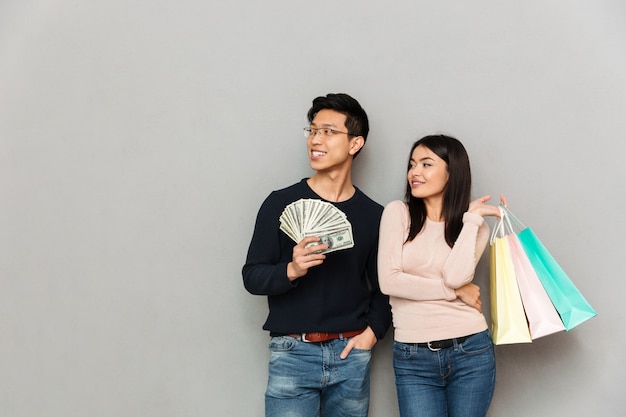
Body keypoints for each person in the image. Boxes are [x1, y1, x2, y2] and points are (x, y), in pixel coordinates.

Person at [242, 93, 391, 417]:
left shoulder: (373, 215)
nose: (315, 140)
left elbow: (385, 288)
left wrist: (371, 335)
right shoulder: (279, 203)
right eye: (312, 130)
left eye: (328, 131)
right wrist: (291, 270)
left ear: (355, 143)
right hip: (292, 352)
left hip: (350, 353)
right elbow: (252, 276)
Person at [378, 134, 504, 417]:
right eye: (412, 165)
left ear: (452, 172)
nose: (415, 173)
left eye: (426, 164)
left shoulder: (474, 227)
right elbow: (390, 281)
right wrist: (455, 292)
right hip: (413, 355)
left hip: (471, 349)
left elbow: (456, 276)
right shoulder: (397, 213)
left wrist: (471, 220)